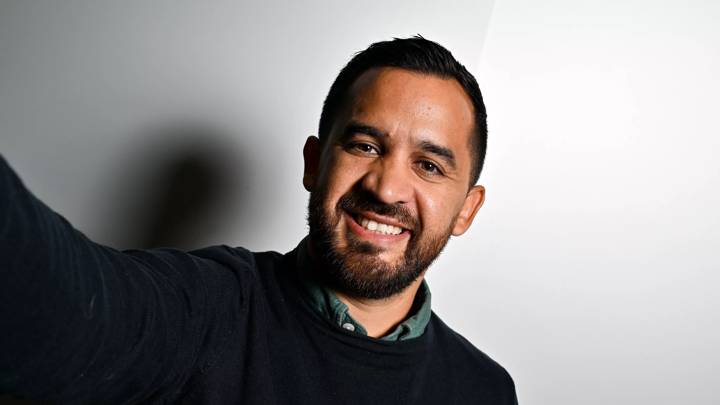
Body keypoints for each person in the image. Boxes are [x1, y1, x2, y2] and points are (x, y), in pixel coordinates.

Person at [0, 36, 517, 404]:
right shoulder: (208, 308)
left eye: (428, 166)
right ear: (315, 164)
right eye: (364, 145)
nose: (385, 187)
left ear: (466, 210)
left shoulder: (484, 390)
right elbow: (69, 304)